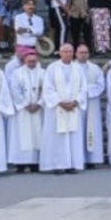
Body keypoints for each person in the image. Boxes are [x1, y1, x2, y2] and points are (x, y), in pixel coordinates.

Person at [39, 43, 87, 174]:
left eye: (71, 52)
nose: (68, 54)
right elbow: (48, 88)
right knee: (58, 137)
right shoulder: (52, 68)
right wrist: (60, 102)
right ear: (60, 53)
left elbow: (84, 88)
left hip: (73, 108)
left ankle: (73, 164)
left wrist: (76, 101)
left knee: (73, 136)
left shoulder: (78, 68)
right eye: (65, 52)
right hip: (57, 109)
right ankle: (59, 164)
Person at [6, 48, 44, 172]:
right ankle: (20, 164)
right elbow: (14, 90)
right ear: (24, 61)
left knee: (37, 135)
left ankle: (36, 163)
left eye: (34, 61)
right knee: (21, 136)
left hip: (38, 110)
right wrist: (25, 104)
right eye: (29, 62)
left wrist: (39, 104)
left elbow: (47, 89)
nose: (32, 64)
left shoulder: (43, 73)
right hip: (23, 110)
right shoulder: (17, 73)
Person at [76, 44, 106, 168]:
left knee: (91, 128)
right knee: (79, 130)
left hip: (92, 102)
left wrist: (87, 92)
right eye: (81, 52)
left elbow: (101, 85)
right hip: (76, 104)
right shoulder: (72, 68)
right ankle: (78, 158)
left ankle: (91, 159)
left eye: (86, 52)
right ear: (76, 54)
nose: (83, 55)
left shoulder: (95, 68)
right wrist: (80, 94)